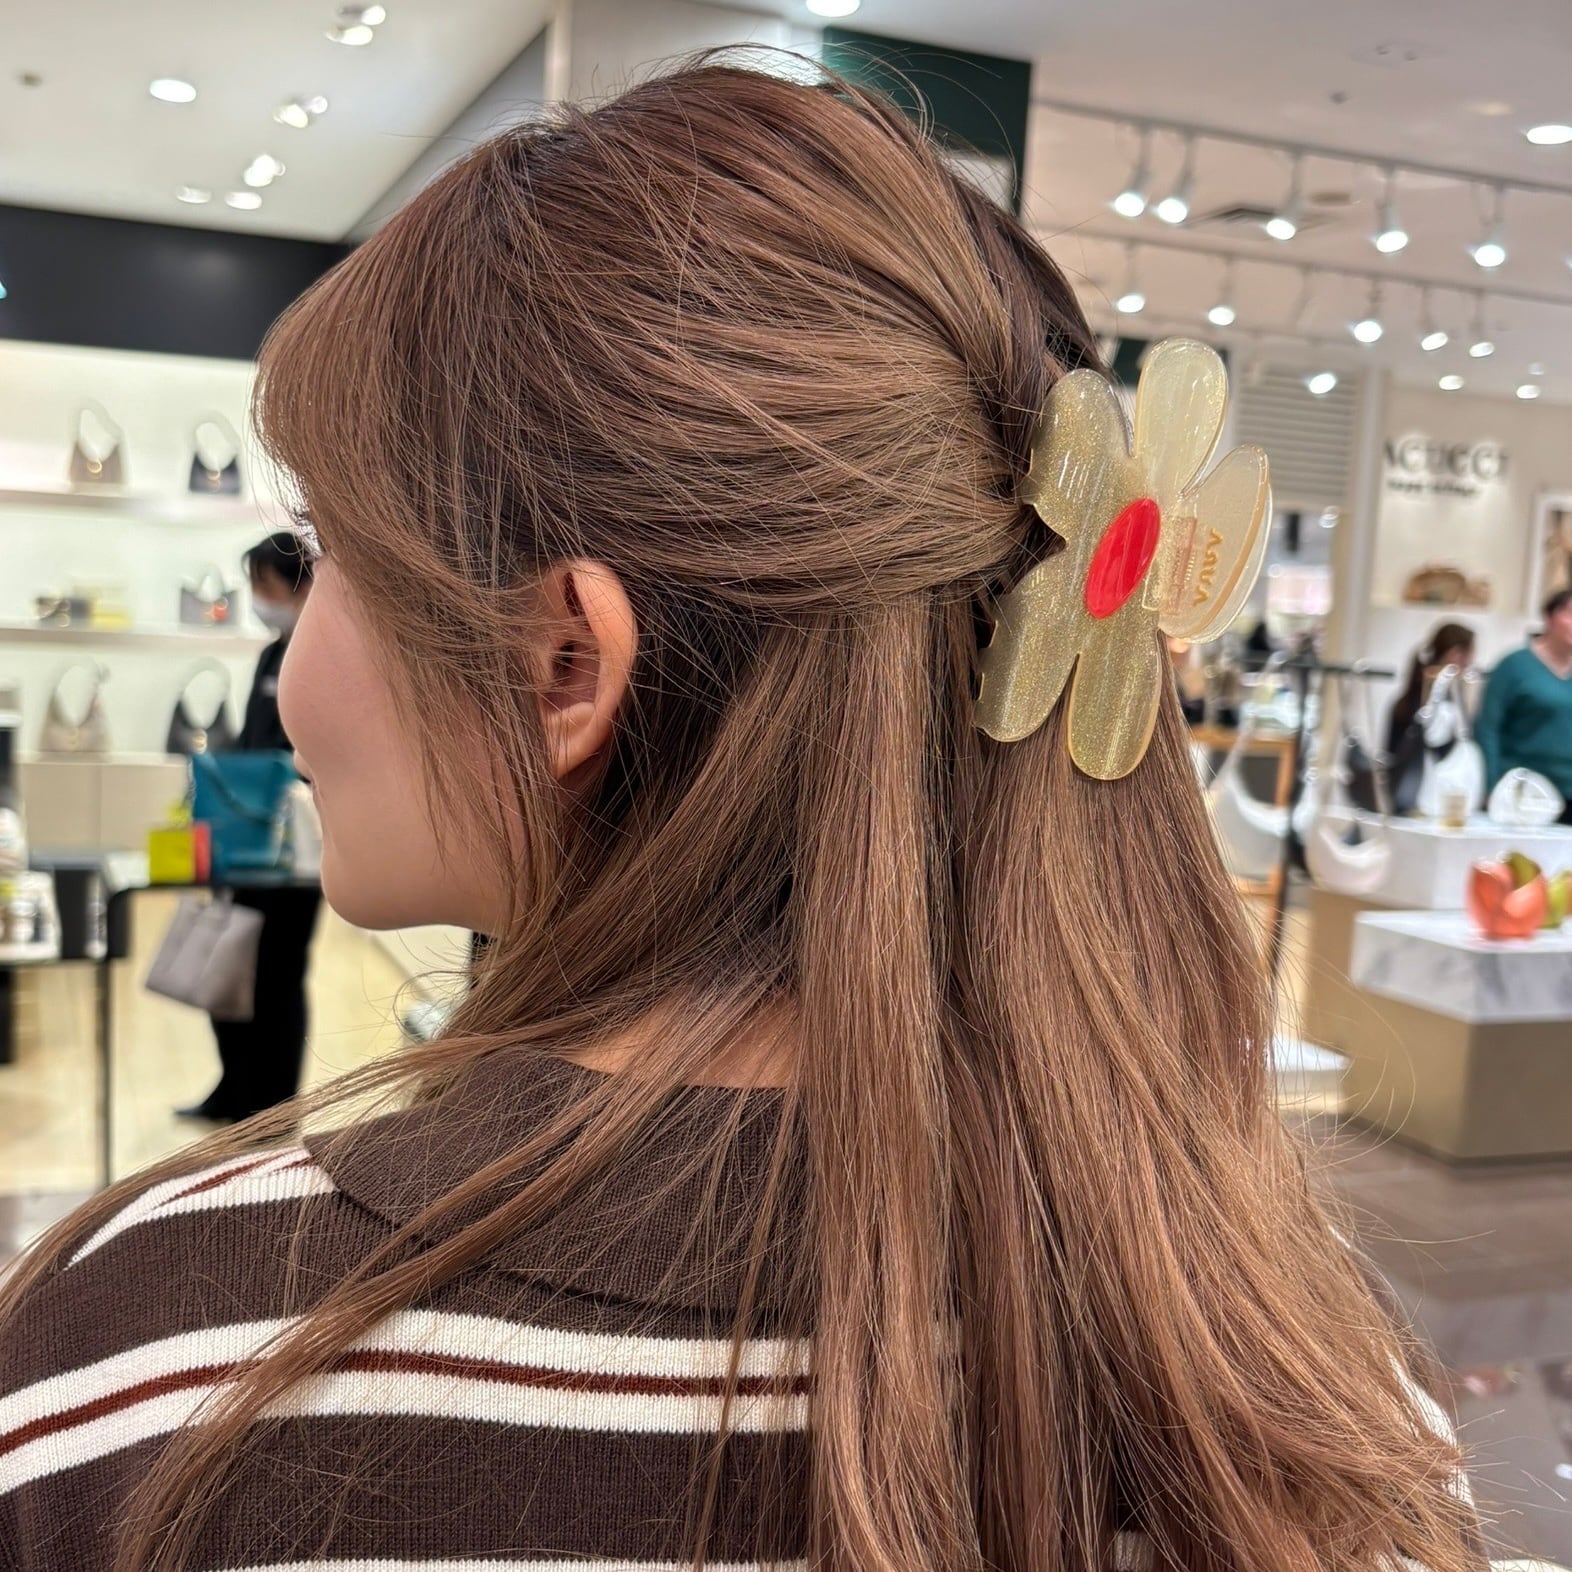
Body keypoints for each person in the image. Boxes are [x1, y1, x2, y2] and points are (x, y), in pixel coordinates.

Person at [0, 66, 1483, 1572]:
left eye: (332, 550)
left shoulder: (158, 1371)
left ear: (563, 667)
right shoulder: (1312, 1392)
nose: (301, 648)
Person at [179, 532, 322, 1121]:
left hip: (295, 849)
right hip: (244, 837)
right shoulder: (270, 655)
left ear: (302, 584)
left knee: (278, 975)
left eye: (265, 585)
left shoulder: (322, 656)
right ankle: (233, 1088)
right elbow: (249, 742)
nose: (260, 599)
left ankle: (272, 1109)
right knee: (229, 959)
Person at [1477, 587, 1572, 822]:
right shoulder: (1515, 666)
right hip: (1523, 793)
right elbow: (1487, 728)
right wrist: (1490, 786)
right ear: (1550, 617)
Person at [1386, 620, 1476, 758]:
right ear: (1455, 654)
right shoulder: (1444, 708)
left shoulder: (1406, 701)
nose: (1470, 664)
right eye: (1469, 657)